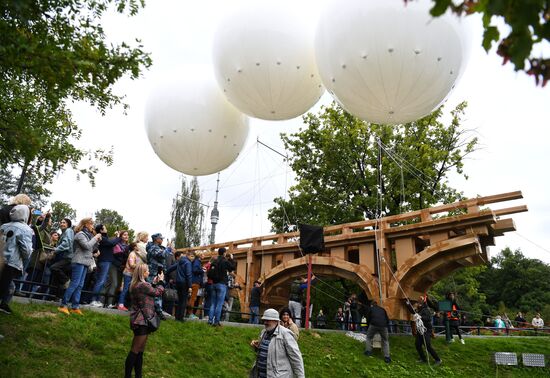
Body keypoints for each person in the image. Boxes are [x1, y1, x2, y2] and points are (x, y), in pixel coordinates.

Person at [125, 263, 165, 378]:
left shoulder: (136, 284)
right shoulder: (142, 285)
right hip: (141, 320)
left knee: (139, 351)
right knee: (135, 350)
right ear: (142, 273)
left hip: (141, 320)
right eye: (147, 271)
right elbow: (157, 292)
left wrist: (154, 283)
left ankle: (138, 375)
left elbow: (148, 292)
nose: (148, 272)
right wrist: (161, 282)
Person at [58, 218, 102, 315]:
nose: (92, 226)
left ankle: (75, 306)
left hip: (85, 262)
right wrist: (95, 238)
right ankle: (63, 305)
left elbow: (91, 248)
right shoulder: (80, 234)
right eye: (91, 224)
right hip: (78, 261)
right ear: (85, 224)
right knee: (74, 283)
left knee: (80, 285)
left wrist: (96, 241)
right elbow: (86, 246)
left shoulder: (88, 235)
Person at [250, 308, 305, 378]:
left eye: (268, 320)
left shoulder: (285, 334)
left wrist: (300, 376)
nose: (265, 322)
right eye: (264, 320)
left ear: (276, 321)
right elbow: (268, 351)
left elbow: (296, 358)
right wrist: (257, 346)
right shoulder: (264, 332)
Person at [0, 205, 33, 314]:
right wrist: (25, 258)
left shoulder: (4, 226)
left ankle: (4, 306)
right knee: (5, 286)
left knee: (7, 286)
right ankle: (3, 306)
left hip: (1, 259)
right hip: (12, 262)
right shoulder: (26, 229)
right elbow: (26, 250)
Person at [90, 225, 120, 308]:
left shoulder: (104, 237)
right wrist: (118, 237)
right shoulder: (101, 238)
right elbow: (111, 243)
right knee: (101, 281)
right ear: (101, 230)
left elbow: (110, 241)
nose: (106, 228)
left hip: (105, 261)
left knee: (102, 281)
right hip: (104, 261)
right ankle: (93, 300)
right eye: (105, 228)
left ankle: (96, 300)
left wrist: (115, 237)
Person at [407, 296, 442, 366]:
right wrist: (407, 303)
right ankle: (423, 359)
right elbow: (413, 311)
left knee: (428, 346)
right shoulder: (419, 310)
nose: (417, 303)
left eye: (419, 301)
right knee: (418, 345)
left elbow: (428, 318)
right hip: (420, 330)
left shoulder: (426, 310)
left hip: (426, 330)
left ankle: (438, 359)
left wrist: (420, 317)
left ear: (422, 302)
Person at [207, 247, 236, 326]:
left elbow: (209, 273)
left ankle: (210, 320)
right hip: (221, 284)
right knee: (219, 304)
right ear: (224, 253)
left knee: (213, 304)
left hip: (213, 284)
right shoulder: (225, 261)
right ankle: (216, 322)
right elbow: (232, 267)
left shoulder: (214, 261)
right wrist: (231, 259)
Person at [50, 218, 75, 298]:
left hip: (67, 257)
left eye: (64, 223)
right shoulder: (64, 232)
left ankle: (67, 280)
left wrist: (56, 250)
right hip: (63, 257)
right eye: (61, 222)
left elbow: (66, 244)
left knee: (54, 268)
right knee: (57, 279)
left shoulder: (68, 231)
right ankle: (58, 297)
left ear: (68, 224)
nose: (61, 224)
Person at [118, 242, 147, 311]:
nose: (139, 247)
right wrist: (141, 267)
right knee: (125, 289)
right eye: (137, 246)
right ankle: (120, 304)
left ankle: (128, 305)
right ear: (134, 247)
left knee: (131, 290)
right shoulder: (132, 254)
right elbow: (131, 264)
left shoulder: (137, 254)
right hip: (128, 274)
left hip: (133, 274)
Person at [166, 251, 192, 321]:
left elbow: (169, 269)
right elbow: (188, 274)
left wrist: (167, 277)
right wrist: (190, 286)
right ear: (189, 256)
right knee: (184, 300)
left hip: (178, 283)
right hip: (185, 283)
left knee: (179, 300)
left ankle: (177, 317)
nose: (192, 258)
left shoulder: (179, 262)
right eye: (192, 256)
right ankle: (180, 318)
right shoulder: (188, 263)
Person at [146, 233, 166, 319]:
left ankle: (158, 310)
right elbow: (161, 255)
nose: (162, 240)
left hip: (158, 272)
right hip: (153, 273)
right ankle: (156, 311)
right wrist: (168, 249)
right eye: (161, 238)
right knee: (154, 292)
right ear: (156, 239)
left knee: (158, 292)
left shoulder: (158, 247)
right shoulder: (152, 247)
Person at [187, 251, 203, 319]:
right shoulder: (197, 262)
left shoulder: (195, 261)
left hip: (193, 281)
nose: (203, 255)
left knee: (191, 298)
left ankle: (188, 313)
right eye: (202, 254)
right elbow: (195, 270)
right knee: (193, 298)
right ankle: (190, 314)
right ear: (199, 255)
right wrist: (202, 270)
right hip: (195, 282)